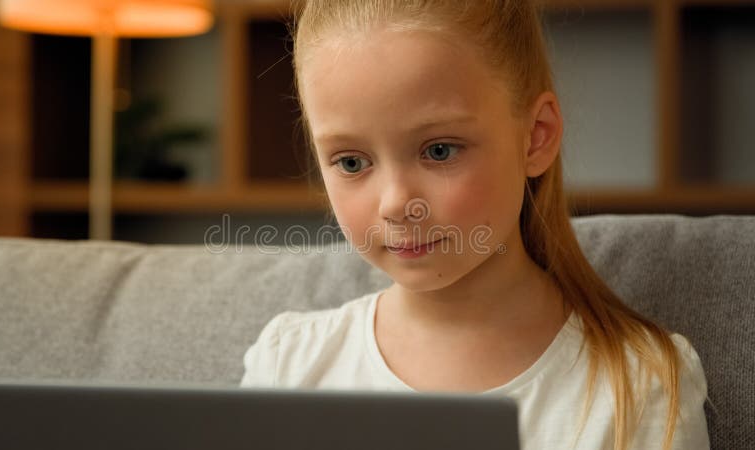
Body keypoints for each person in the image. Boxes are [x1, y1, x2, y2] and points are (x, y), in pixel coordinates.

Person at [239, 1, 710, 449]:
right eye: (351, 161)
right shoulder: (288, 365)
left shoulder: (641, 387)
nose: (396, 203)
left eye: (439, 150)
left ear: (535, 137)